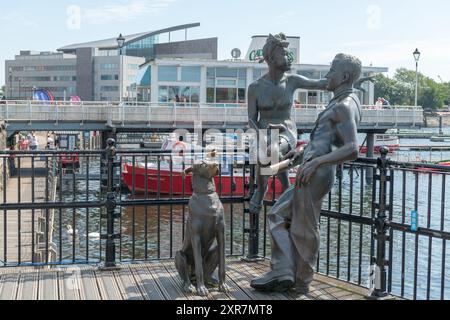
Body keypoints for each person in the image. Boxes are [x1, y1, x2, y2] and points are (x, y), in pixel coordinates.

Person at [251, 53, 362, 294]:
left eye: (332, 71)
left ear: (344, 76)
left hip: (316, 173)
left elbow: (352, 148)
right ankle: (284, 270)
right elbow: (329, 140)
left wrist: (316, 161)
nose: (327, 75)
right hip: (311, 167)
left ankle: (300, 281)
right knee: (279, 215)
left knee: (305, 227)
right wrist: (304, 151)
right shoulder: (341, 101)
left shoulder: (344, 105)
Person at [247, 33, 328, 217]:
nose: (288, 58)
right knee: (269, 148)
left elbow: (320, 84)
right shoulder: (255, 87)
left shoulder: (292, 81)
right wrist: (261, 132)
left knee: (272, 150)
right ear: (271, 58)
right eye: (284, 53)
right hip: (264, 132)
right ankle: (287, 190)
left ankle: (261, 190)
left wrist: (346, 82)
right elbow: (251, 118)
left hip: (286, 131)